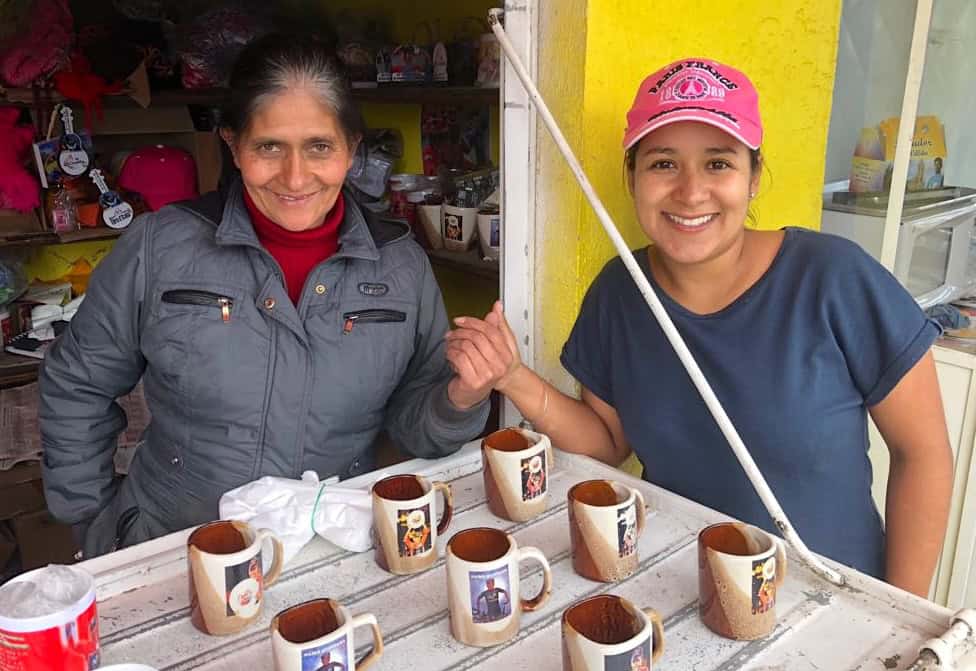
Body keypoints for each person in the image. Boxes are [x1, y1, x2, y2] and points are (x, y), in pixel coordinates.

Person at [445, 57, 953, 596]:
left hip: (834, 602)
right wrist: (512, 376)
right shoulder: (620, 290)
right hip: (679, 593)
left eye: (718, 163)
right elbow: (608, 443)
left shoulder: (835, 278)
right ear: (632, 177)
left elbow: (923, 454)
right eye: (664, 163)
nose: (690, 193)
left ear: (753, 177)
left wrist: (904, 616)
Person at [39, 34, 490, 559]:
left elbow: (419, 432)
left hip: (331, 551)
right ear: (233, 146)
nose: (295, 177)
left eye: (320, 147)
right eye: (268, 147)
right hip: (177, 544)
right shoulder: (161, 247)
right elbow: (77, 383)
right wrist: (92, 522)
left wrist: (461, 398)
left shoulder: (400, 267)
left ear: (351, 150)